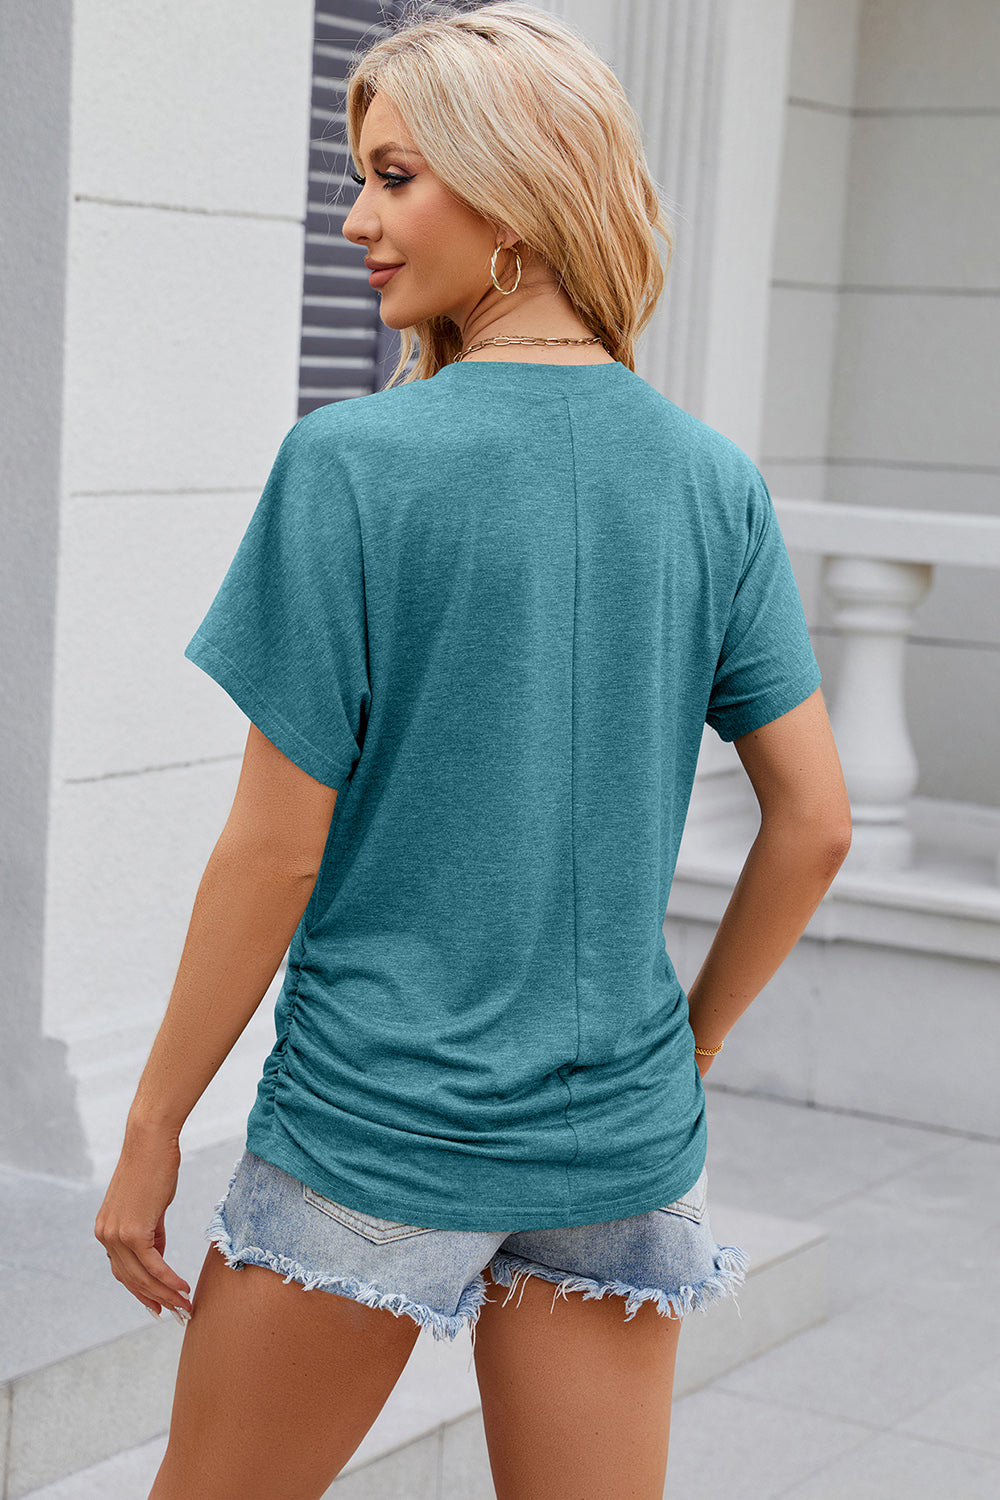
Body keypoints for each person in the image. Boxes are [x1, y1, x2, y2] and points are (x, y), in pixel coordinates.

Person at [95, 4, 852, 1497]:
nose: (356, 219)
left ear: (513, 193)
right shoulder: (713, 482)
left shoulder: (354, 464)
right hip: (620, 1137)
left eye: (394, 177)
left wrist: (153, 1122)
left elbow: (276, 848)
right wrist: (685, 1054)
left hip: (379, 1124)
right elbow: (816, 822)